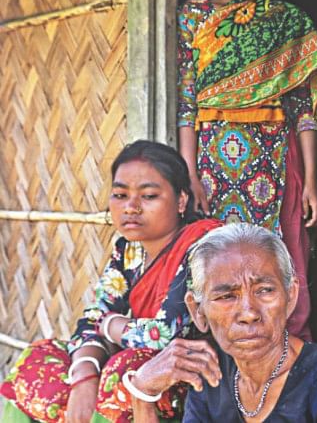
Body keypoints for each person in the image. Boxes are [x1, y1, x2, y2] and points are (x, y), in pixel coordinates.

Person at [177, 0, 317, 342]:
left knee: (278, 260)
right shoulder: (193, 17)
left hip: (273, 159)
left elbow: (303, 109)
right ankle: (221, 353)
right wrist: (190, 174)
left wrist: (311, 181)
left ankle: (284, 355)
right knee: (215, 256)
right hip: (212, 160)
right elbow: (187, 104)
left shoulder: (288, 21)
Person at [1, 141, 221, 423]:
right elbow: (92, 318)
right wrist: (85, 372)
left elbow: (164, 335)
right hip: (133, 361)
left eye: (149, 196)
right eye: (120, 195)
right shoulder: (128, 250)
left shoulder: (201, 246)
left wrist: (109, 325)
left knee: (122, 371)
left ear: (181, 200)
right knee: (38, 360)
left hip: (193, 376)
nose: (131, 207)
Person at [126, 223, 317, 422]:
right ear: (198, 311)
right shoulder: (211, 375)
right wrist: (142, 393)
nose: (248, 313)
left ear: (290, 297)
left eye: (265, 290)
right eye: (226, 296)